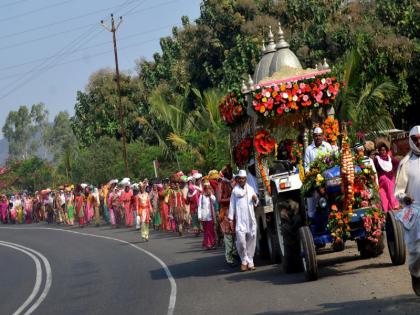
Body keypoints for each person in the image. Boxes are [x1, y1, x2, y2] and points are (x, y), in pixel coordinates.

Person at [394, 125, 420, 296]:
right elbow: (398, 192)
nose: (418, 142)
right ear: (410, 141)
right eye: (415, 139)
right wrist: (405, 198)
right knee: (416, 252)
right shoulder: (405, 163)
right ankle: (416, 274)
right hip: (415, 214)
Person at [228, 170, 259, 271]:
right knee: (241, 242)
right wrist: (230, 219)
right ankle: (244, 260)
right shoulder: (234, 191)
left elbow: (256, 201)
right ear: (237, 179)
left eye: (243, 178)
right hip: (240, 220)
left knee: (251, 240)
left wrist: (255, 199)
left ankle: (250, 261)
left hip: (250, 219)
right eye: (240, 178)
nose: (241, 180)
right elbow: (232, 205)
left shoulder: (250, 189)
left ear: (245, 179)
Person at [304, 127, 336, 218]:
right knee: (312, 197)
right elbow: (306, 166)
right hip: (315, 179)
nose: (318, 137)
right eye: (316, 136)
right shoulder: (309, 149)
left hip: (329, 178)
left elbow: (333, 160)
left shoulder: (327, 146)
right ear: (313, 137)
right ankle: (312, 217)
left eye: (319, 135)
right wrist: (312, 174)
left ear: (322, 136)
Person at [218, 165, 238, 267]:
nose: (229, 174)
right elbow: (219, 199)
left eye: (230, 172)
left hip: (236, 211)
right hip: (226, 212)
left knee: (237, 234)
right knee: (228, 235)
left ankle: (235, 253)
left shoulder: (235, 181)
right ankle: (229, 258)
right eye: (227, 173)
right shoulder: (222, 184)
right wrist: (231, 198)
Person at [373, 139, 399, 212]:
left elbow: (397, 163)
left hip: (391, 178)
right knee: (383, 195)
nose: (383, 151)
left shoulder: (390, 158)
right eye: (381, 150)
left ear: (387, 150)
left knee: (391, 192)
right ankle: (387, 210)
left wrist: (393, 170)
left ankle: (393, 207)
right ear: (379, 151)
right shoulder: (376, 159)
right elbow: (373, 168)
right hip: (382, 179)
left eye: (384, 150)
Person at [198, 181, 217, 250]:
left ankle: (212, 243)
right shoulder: (201, 196)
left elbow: (215, 202)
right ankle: (207, 244)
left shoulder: (212, 196)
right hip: (204, 216)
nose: (207, 189)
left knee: (210, 231)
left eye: (209, 188)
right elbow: (199, 206)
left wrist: (210, 195)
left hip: (211, 216)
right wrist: (199, 216)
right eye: (206, 188)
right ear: (204, 189)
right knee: (206, 231)